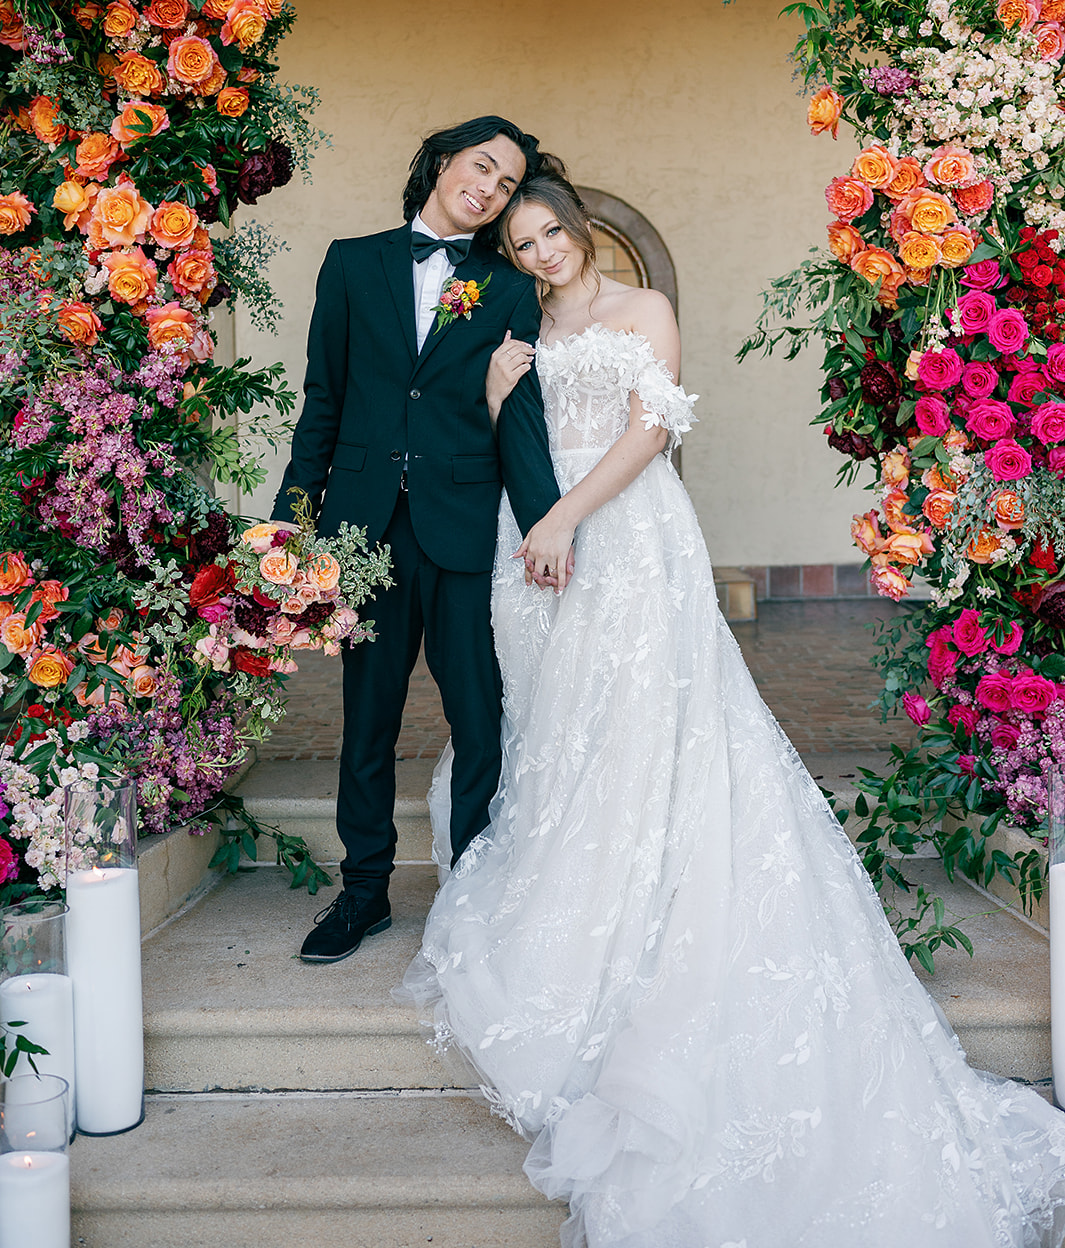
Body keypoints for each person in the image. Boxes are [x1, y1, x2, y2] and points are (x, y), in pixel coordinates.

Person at [401, 169, 1065, 1247]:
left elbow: (649, 432)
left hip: (621, 531)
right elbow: (502, 436)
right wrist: (494, 403)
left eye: (548, 233)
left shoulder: (643, 307)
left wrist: (568, 517)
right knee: (559, 732)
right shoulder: (516, 321)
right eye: (520, 244)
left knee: (646, 724)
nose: (540, 253)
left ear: (580, 226)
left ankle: (658, 896)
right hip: (531, 550)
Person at [272, 116, 561, 964]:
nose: (490, 189)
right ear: (441, 162)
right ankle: (363, 893)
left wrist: (545, 520)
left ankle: (470, 891)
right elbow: (321, 398)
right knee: (367, 719)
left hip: (464, 525)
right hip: (363, 527)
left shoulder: (509, 290)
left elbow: (519, 422)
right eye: (482, 167)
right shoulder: (351, 261)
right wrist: (293, 521)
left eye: (508, 184)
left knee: (478, 717)